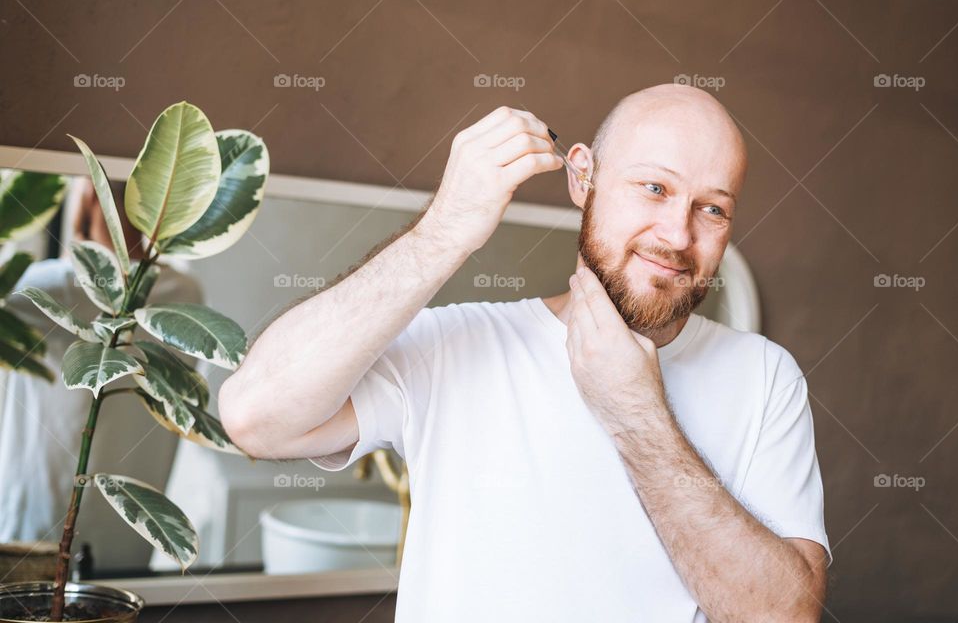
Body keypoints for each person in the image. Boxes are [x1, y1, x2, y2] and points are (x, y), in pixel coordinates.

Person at [219, 84, 830, 622]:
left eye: (712, 209)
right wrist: (446, 227)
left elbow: (781, 617)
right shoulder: (460, 344)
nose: (677, 234)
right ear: (581, 176)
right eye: (653, 188)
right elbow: (256, 417)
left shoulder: (766, 378)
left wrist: (636, 413)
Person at [0, 176, 202, 572]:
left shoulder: (51, 286)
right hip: (133, 513)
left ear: (89, 196)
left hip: (37, 505)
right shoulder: (186, 294)